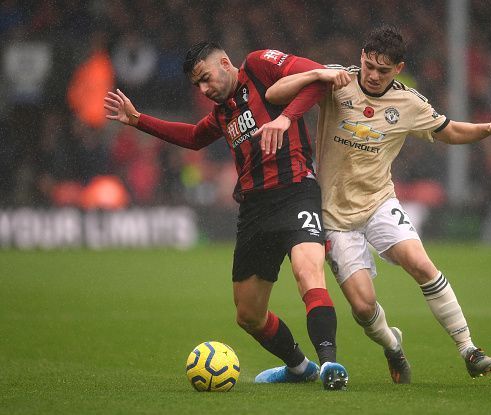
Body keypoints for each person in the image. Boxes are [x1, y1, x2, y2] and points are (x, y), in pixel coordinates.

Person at [265, 25, 491, 383]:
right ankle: (392, 344)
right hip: (335, 216)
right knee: (362, 306)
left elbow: (448, 130)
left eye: (382, 70)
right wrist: (318, 73)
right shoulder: (337, 83)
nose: (372, 75)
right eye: (368, 65)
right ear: (361, 58)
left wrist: (486, 129)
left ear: (398, 69)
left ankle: (469, 349)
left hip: (379, 202)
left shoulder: (409, 103)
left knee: (420, 262)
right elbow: (275, 93)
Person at [103, 42, 349, 390]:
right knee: (248, 315)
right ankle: (299, 367)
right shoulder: (223, 114)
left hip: (296, 190)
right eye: (197, 86)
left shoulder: (260, 66)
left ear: (224, 63)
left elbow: (319, 78)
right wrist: (138, 120)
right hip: (254, 210)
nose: (204, 90)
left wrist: (285, 117)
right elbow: (192, 137)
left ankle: (330, 365)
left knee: (308, 272)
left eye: (206, 78)